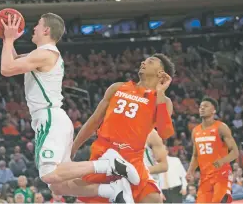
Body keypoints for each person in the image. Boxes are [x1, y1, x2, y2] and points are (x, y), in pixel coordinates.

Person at [0, 13, 140, 202]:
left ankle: (109, 164)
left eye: (37, 25)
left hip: (50, 118)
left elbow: (7, 69)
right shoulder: (43, 54)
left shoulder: (45, 53)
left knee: (49, 174)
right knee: (58, 185)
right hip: (53, 119)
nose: (33, 28)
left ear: (46, 30)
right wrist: (7, 39)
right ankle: (111, 190)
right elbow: (12, 60)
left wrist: (8, 39)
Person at [71, 54, 176, 203]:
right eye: (144, 60)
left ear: (161, 73)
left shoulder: (163, 101)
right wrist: (74, 146)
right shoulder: (118, 87)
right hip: (104, 153)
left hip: (132, 158)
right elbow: (94, 121)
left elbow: (164, 133)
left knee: (153, 199)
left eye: (150, 61)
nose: (143, 62)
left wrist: (159, 92)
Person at [186, 97, 239, 203]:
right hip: (205, 177)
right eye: (200, 106)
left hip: (221, 174)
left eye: (205, 106)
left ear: (214, 110)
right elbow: (195, 155)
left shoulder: (221, 127)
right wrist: (190, 171)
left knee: (218, 201)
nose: (202, 108)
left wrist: (222, 161)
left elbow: (235, 152)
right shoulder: (195, 131)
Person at [143, 129, 168, 200]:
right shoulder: (120, 132)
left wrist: (140, 171)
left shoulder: (151, 134)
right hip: (127, 186)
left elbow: (164, 166)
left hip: (149, 185)